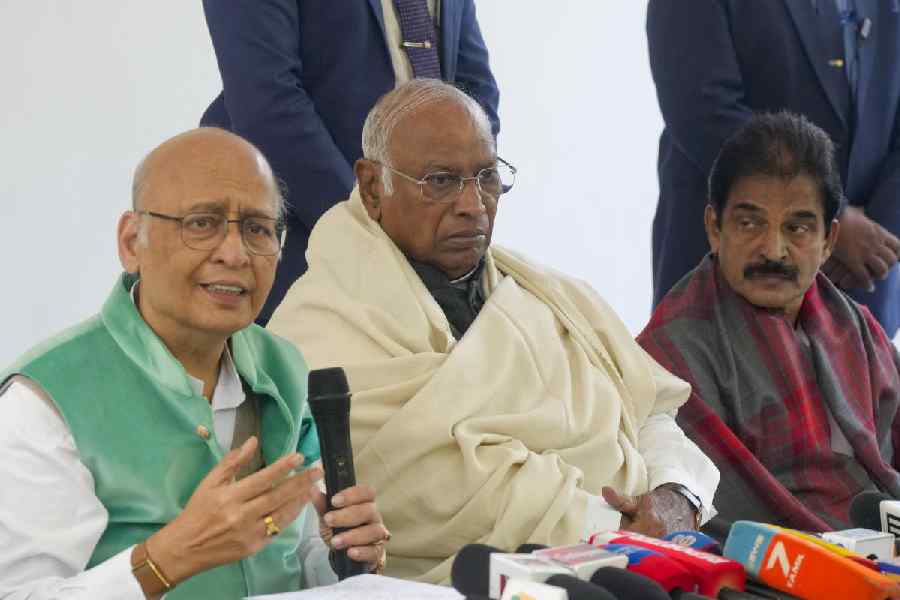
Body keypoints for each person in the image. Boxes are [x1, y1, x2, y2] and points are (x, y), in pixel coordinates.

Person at [267, 79, 720, 583]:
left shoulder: (550, 293)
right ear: (374, 187)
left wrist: (678, 495)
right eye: (440, 181)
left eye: (486, 176)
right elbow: (430, 491)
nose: (473, 204)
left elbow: (650, 412)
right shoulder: (318, 328)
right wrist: (621, 533)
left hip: (653, 548)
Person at [0, 129, 388, 599]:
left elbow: (297, 556)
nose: (235, 253)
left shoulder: (283, 368)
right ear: (131, 242)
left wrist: (342, 553)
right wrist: (168, 559)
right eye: (201, 223)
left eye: (258, 228)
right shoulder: (48, 398)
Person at [638, 112, 900, 531]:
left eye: (797, 227)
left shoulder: (857, 327)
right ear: (714, 228)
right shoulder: (671, 351)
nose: (773, 250)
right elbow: (714, 510)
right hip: (778, 568)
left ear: (829, 241)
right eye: (749, 223)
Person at [200, 0, 500, 325]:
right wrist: (364, 223)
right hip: (300, 233)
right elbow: (267, 102)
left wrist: (449, 198)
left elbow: (475, 93)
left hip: (428, 247)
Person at [647, 0, 900, 338]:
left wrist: (875, 237)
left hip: (863, 274)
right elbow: (702, 108)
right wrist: (829, 219)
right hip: (729, 273)